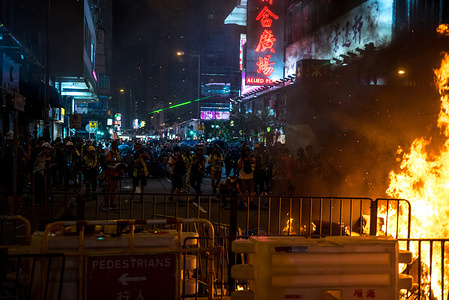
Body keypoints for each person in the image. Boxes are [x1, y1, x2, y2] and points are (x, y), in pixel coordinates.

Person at [103, 140, 123, 211]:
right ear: (113, 146)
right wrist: (117, 162)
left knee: (113, 190)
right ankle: (106, 205)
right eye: (115, 145)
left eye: (117, 145)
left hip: (115, 174)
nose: (117, 146)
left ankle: (111, 204)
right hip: (110, 173)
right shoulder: (110, 153)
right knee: (108, 190)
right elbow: (108, 161)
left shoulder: (116, 153)